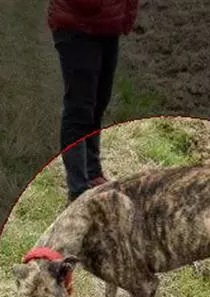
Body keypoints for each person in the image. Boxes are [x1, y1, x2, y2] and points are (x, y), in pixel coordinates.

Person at [47, 0, 139, 203]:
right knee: (79, 109)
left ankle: (93, 173)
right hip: (78, 25)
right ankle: (78, 190)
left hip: (107, 25)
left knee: (98, 104)